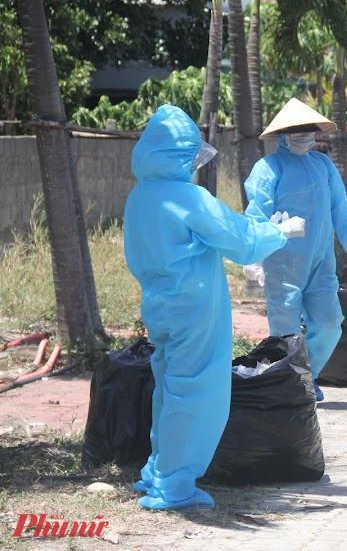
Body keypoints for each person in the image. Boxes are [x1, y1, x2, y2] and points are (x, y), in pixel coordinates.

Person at [124, 105, 301, 510]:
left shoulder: (140, 197)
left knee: (169, 386)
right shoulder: (189, 196)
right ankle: (174, 485)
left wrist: (264, 230)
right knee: (196, 393)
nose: (192, 165)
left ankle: (158, 470)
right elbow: (238, 241)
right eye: (189, 157)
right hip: (196, 309)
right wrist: (279, 231)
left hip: (159, 305)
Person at [244, 99, 347, 402]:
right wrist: (254, 259)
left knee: (330, 323)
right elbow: (255, 216)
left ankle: (307, 374)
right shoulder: (268, 168)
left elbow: (341, 212)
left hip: (320, 265)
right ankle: (291, 384)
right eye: (297, 130)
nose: (304, 135)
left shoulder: (323, 165)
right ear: (283, 133)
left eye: (308, 130)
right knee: (286, 334)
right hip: (282, 265)